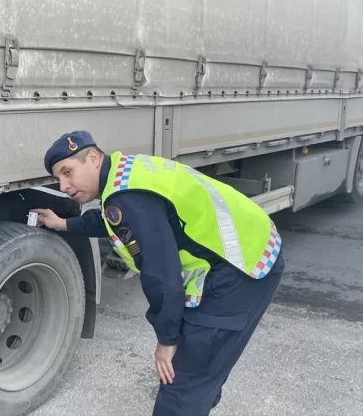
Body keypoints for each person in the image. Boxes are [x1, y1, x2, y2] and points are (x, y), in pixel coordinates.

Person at [31, 130, 285, 416]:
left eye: (68, 172)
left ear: (92, 158)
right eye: (58, 178)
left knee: (183, 382)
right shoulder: (123, 172)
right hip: (254, 246)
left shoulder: (126, 196)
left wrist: (167, 340)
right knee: (201, 371)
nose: (64, 185)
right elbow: (115, 220)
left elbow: (162, 275)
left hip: (241, 270)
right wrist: (64, 224)